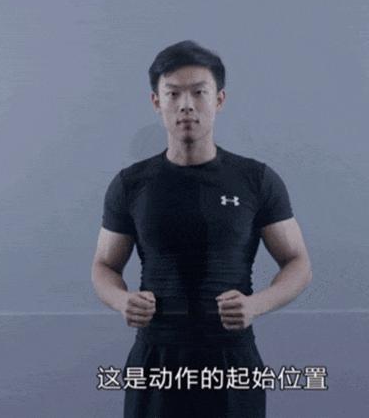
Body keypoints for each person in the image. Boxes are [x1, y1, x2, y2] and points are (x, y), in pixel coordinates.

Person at [91, 40, 312, 418]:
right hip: (157, 359)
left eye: (199, 92)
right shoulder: (131, 184)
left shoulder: (255, 179)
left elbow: (298, 263)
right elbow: (104, 266)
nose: (186, 105)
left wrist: (255, 305)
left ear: (219, 99)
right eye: (173, 93)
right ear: (156, 101)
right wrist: (121, 300)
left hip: (231, 358)